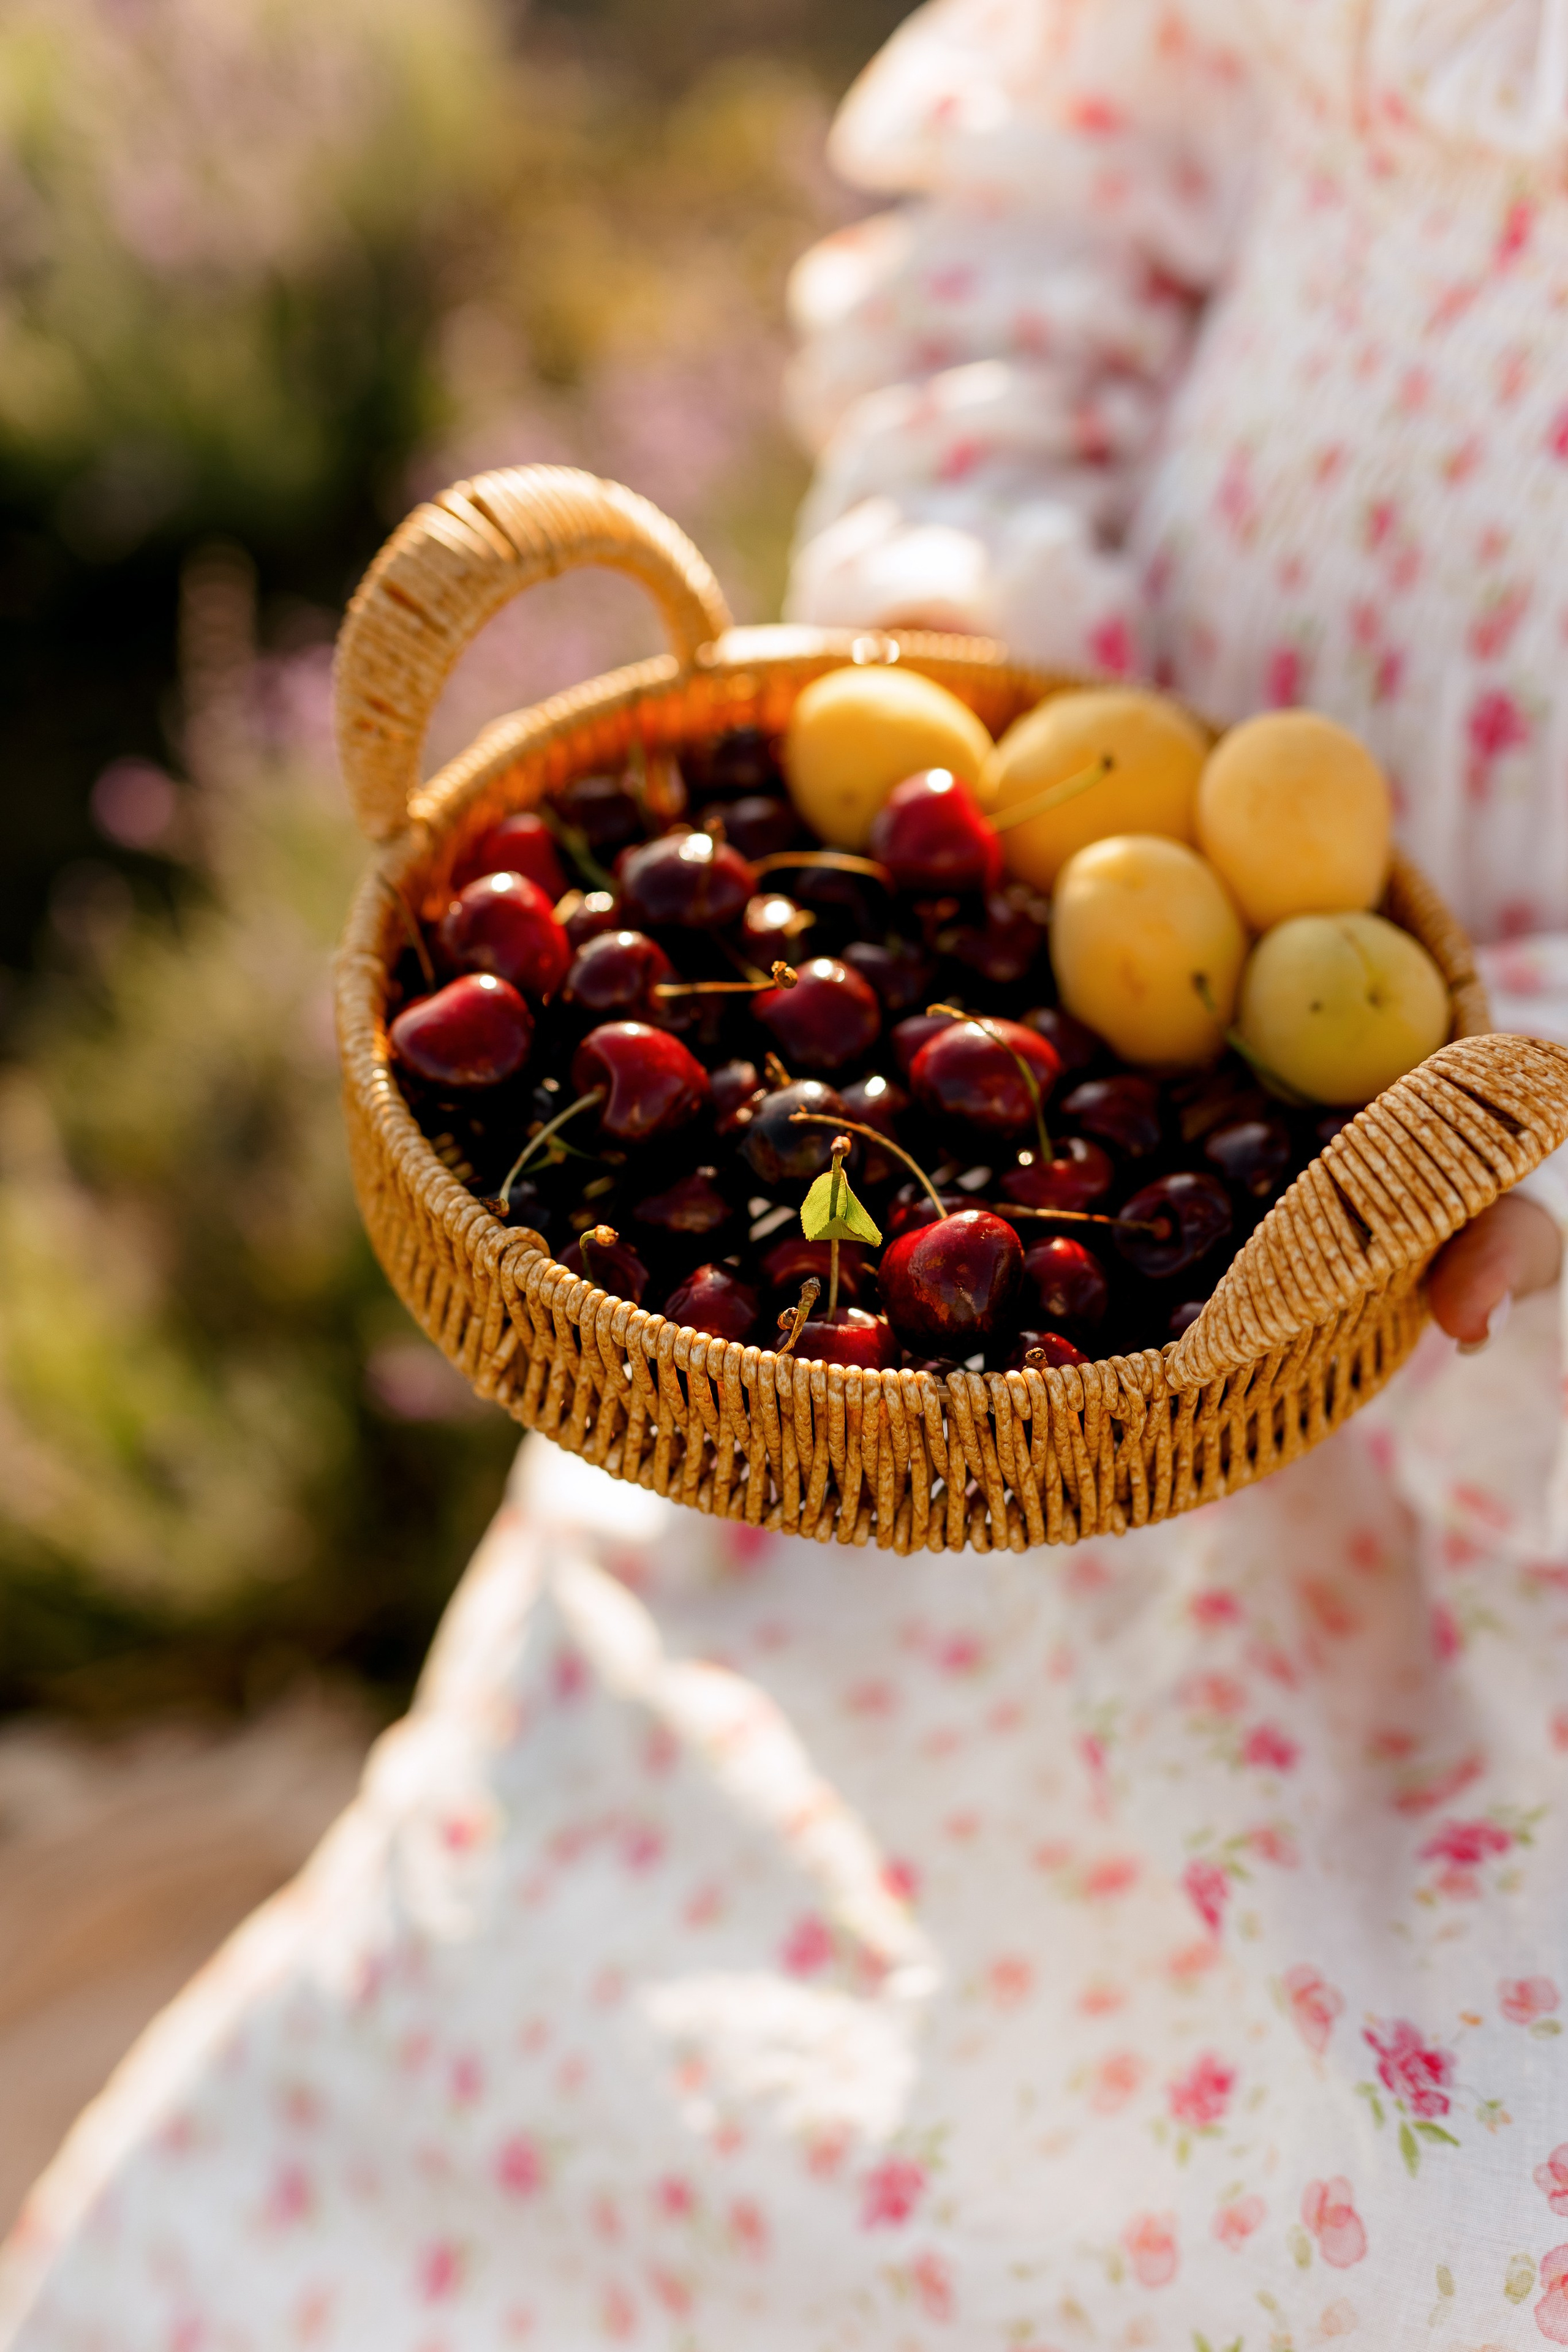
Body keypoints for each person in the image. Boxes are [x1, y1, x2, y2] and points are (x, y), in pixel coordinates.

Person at [6, 1, 1568, 2343]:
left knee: (1300, 2189)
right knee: (591, 1968)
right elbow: (1059, 206)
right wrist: (979, 633)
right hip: (1070, 1003)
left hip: (1485, 1434)